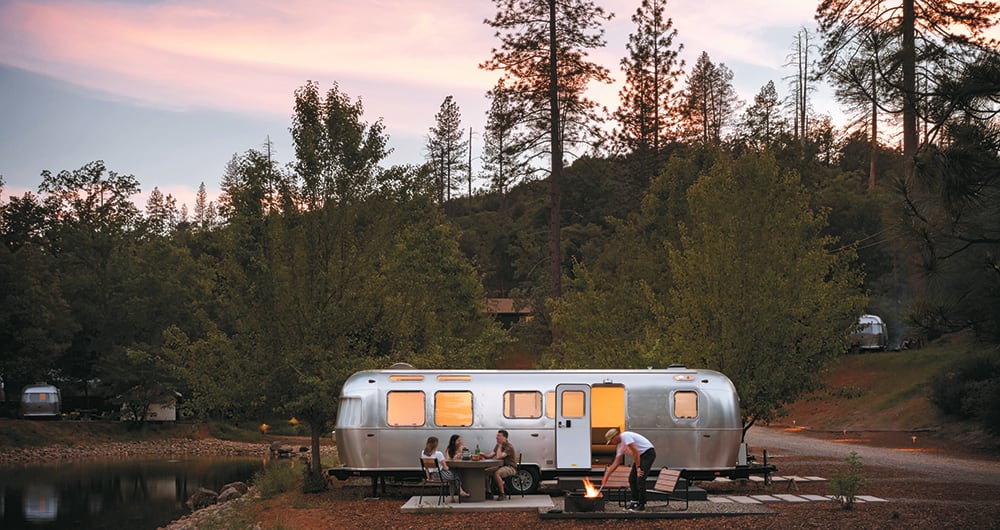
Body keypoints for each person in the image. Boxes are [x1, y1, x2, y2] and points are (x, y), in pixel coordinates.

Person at [601, 427, 656, 511]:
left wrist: (638, 467)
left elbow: (635, 451)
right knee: (632, 479)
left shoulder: (625, 436)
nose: (612, 443)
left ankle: (641, 505)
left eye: (611, 441)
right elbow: (616, 462)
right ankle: (635, 502)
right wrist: (606, 476)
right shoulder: (620, 446)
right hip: (640, 456)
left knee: (640, 478)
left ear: (615, 436)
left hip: (648, 453)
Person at [483, 429, 516, 500]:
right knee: (484, 472)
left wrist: (500, 445)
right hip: (501, 466)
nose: (496, 437)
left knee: (496, 473)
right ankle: (488, 492)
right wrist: (483, 455)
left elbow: (498, 456)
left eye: (499, 436)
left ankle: (502, 494)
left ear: (505, 437)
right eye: (496, 436)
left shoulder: (509, 447)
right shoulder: (497, 445)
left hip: (510, 467)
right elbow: (491, 455)